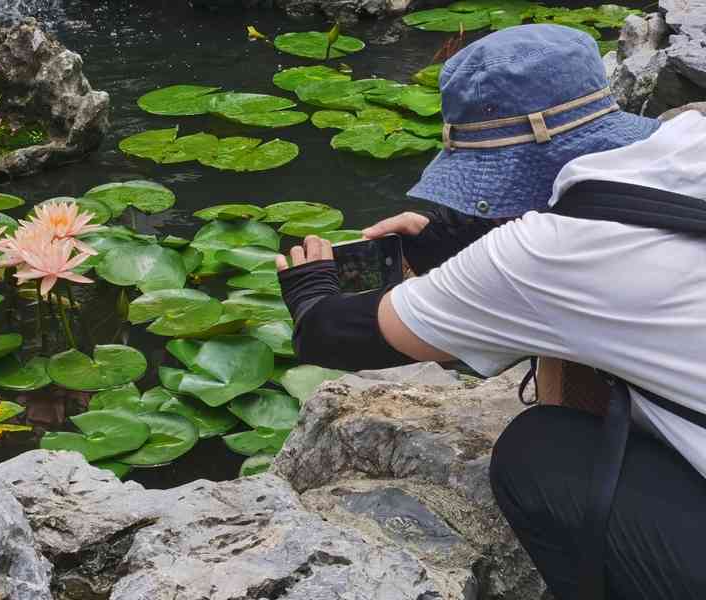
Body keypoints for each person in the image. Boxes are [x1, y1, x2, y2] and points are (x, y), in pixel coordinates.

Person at [275, 24, 706, 600]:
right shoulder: (690, 135)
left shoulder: (545, 254)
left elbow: (334, 337)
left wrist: (310, 290)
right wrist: (462, 239)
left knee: (537, 454)